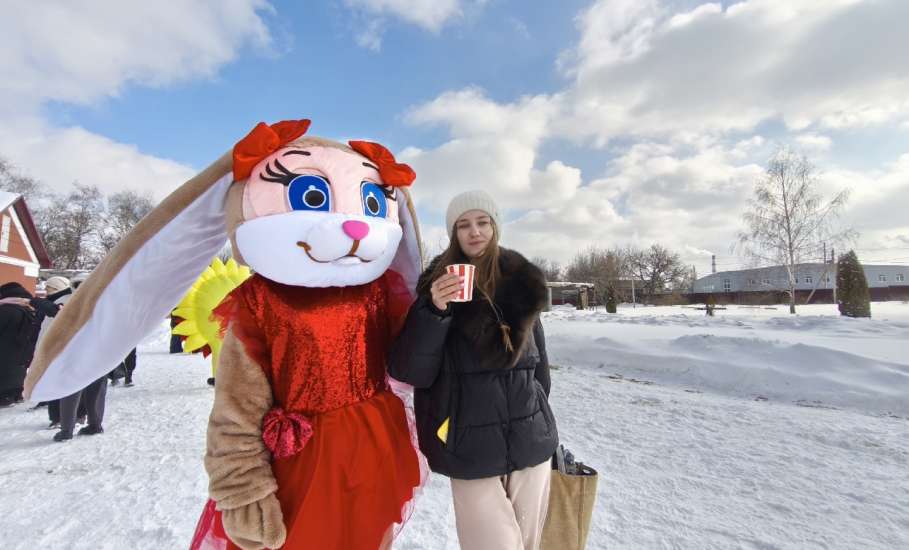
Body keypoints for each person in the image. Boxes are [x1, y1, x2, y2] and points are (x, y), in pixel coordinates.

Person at [24, 119, 426, 549]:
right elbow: (237, 406)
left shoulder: (380, 293)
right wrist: (242, 488)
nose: (353, 228)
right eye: (311, 196)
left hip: (375, 442)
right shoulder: (261, 301)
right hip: (303, 459)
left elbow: (416, 353)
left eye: (369, 202)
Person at [389, 190, 559, 550]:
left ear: (495, 226)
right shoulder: (434, 285)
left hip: (530, 438)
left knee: (529, 543)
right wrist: (435, 309)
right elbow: (409, 370)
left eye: (483, 222)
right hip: (468, 442)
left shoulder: (521, 283)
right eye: (463, 225)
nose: (474, 231)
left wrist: (539, 412)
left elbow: (540, 369)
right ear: (454, 233)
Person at [0, 282, 38, 407]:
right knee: (16, 370)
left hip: (5, 347)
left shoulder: (5, 310)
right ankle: (15, 394)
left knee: (4, 371)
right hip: (22, 348)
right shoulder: (28, 307)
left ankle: (5, 397)